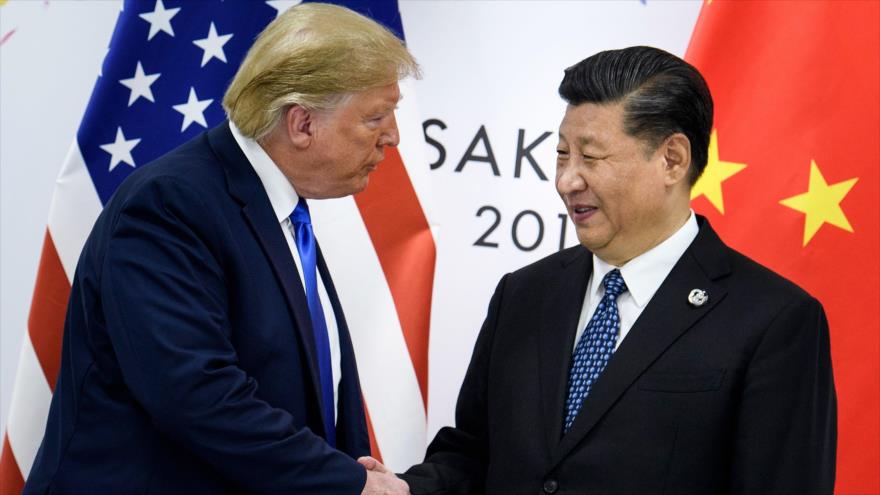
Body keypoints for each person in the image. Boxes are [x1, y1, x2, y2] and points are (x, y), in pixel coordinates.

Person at [372, 46, 837, 494]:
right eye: (561, 153)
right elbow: (474, 456)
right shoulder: (524, 293)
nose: (567, 180)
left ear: (672, 159)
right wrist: (406, 490)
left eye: (591, 157)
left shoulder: (774, 321)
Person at [24, 4, 416, 494]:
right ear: (302, 124)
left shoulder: (279, 210)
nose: (393, 137)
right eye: (376, 117)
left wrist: (353, 470)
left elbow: (304, 384)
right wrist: (347, 483)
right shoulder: (170, 205)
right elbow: (196, 394)